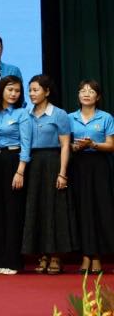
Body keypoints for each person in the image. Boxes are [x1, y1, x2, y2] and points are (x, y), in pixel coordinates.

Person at [20, 74, 76, 275]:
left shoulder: (59, 114)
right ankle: (42, 253)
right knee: (37, 208)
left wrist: (62, 173)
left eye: (36, 90)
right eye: (30, 90)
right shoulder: (26, 113)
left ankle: (55, 256)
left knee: (54, 209)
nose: (32, 94)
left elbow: (65, 145)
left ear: (47, 92)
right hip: (33, 163)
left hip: (53, 161)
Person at [68, 79, 114, 275]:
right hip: (77, 166)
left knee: (99, 209)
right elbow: (64, 145)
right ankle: (86, 255)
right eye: (83, 91)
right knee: (82, 210)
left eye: (91, 91)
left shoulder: (106, 117)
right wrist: (75, 147)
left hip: (99, 165)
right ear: (78, 96)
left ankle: (97, 256)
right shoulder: (69, 117)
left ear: (98, 96)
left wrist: (93, 145)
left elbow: (111, 145)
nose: (86, 93)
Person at [0, 74, 27, 274]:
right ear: (1, 90)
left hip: (14, 160)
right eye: (10, 89)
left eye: (17, 91)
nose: (13, 94)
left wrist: (20, 171)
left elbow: (26, 146)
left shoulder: (22, 114)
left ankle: (13, 261)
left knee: (13, 212)